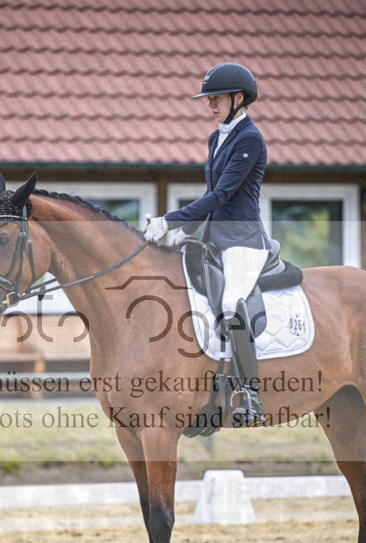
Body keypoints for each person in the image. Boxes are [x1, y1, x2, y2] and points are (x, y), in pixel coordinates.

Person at [143, 62, 272, 427]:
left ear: (239, 98)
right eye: (208, 98)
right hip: (215, 239)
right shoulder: (217, 138)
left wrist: (171, 220)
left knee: (231, 302)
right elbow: (209, 195)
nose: (210, 104)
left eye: (216, 98)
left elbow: (223, 194)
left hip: (244, 241)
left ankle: (249, 392)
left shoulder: (250, 138)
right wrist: (186, 231)